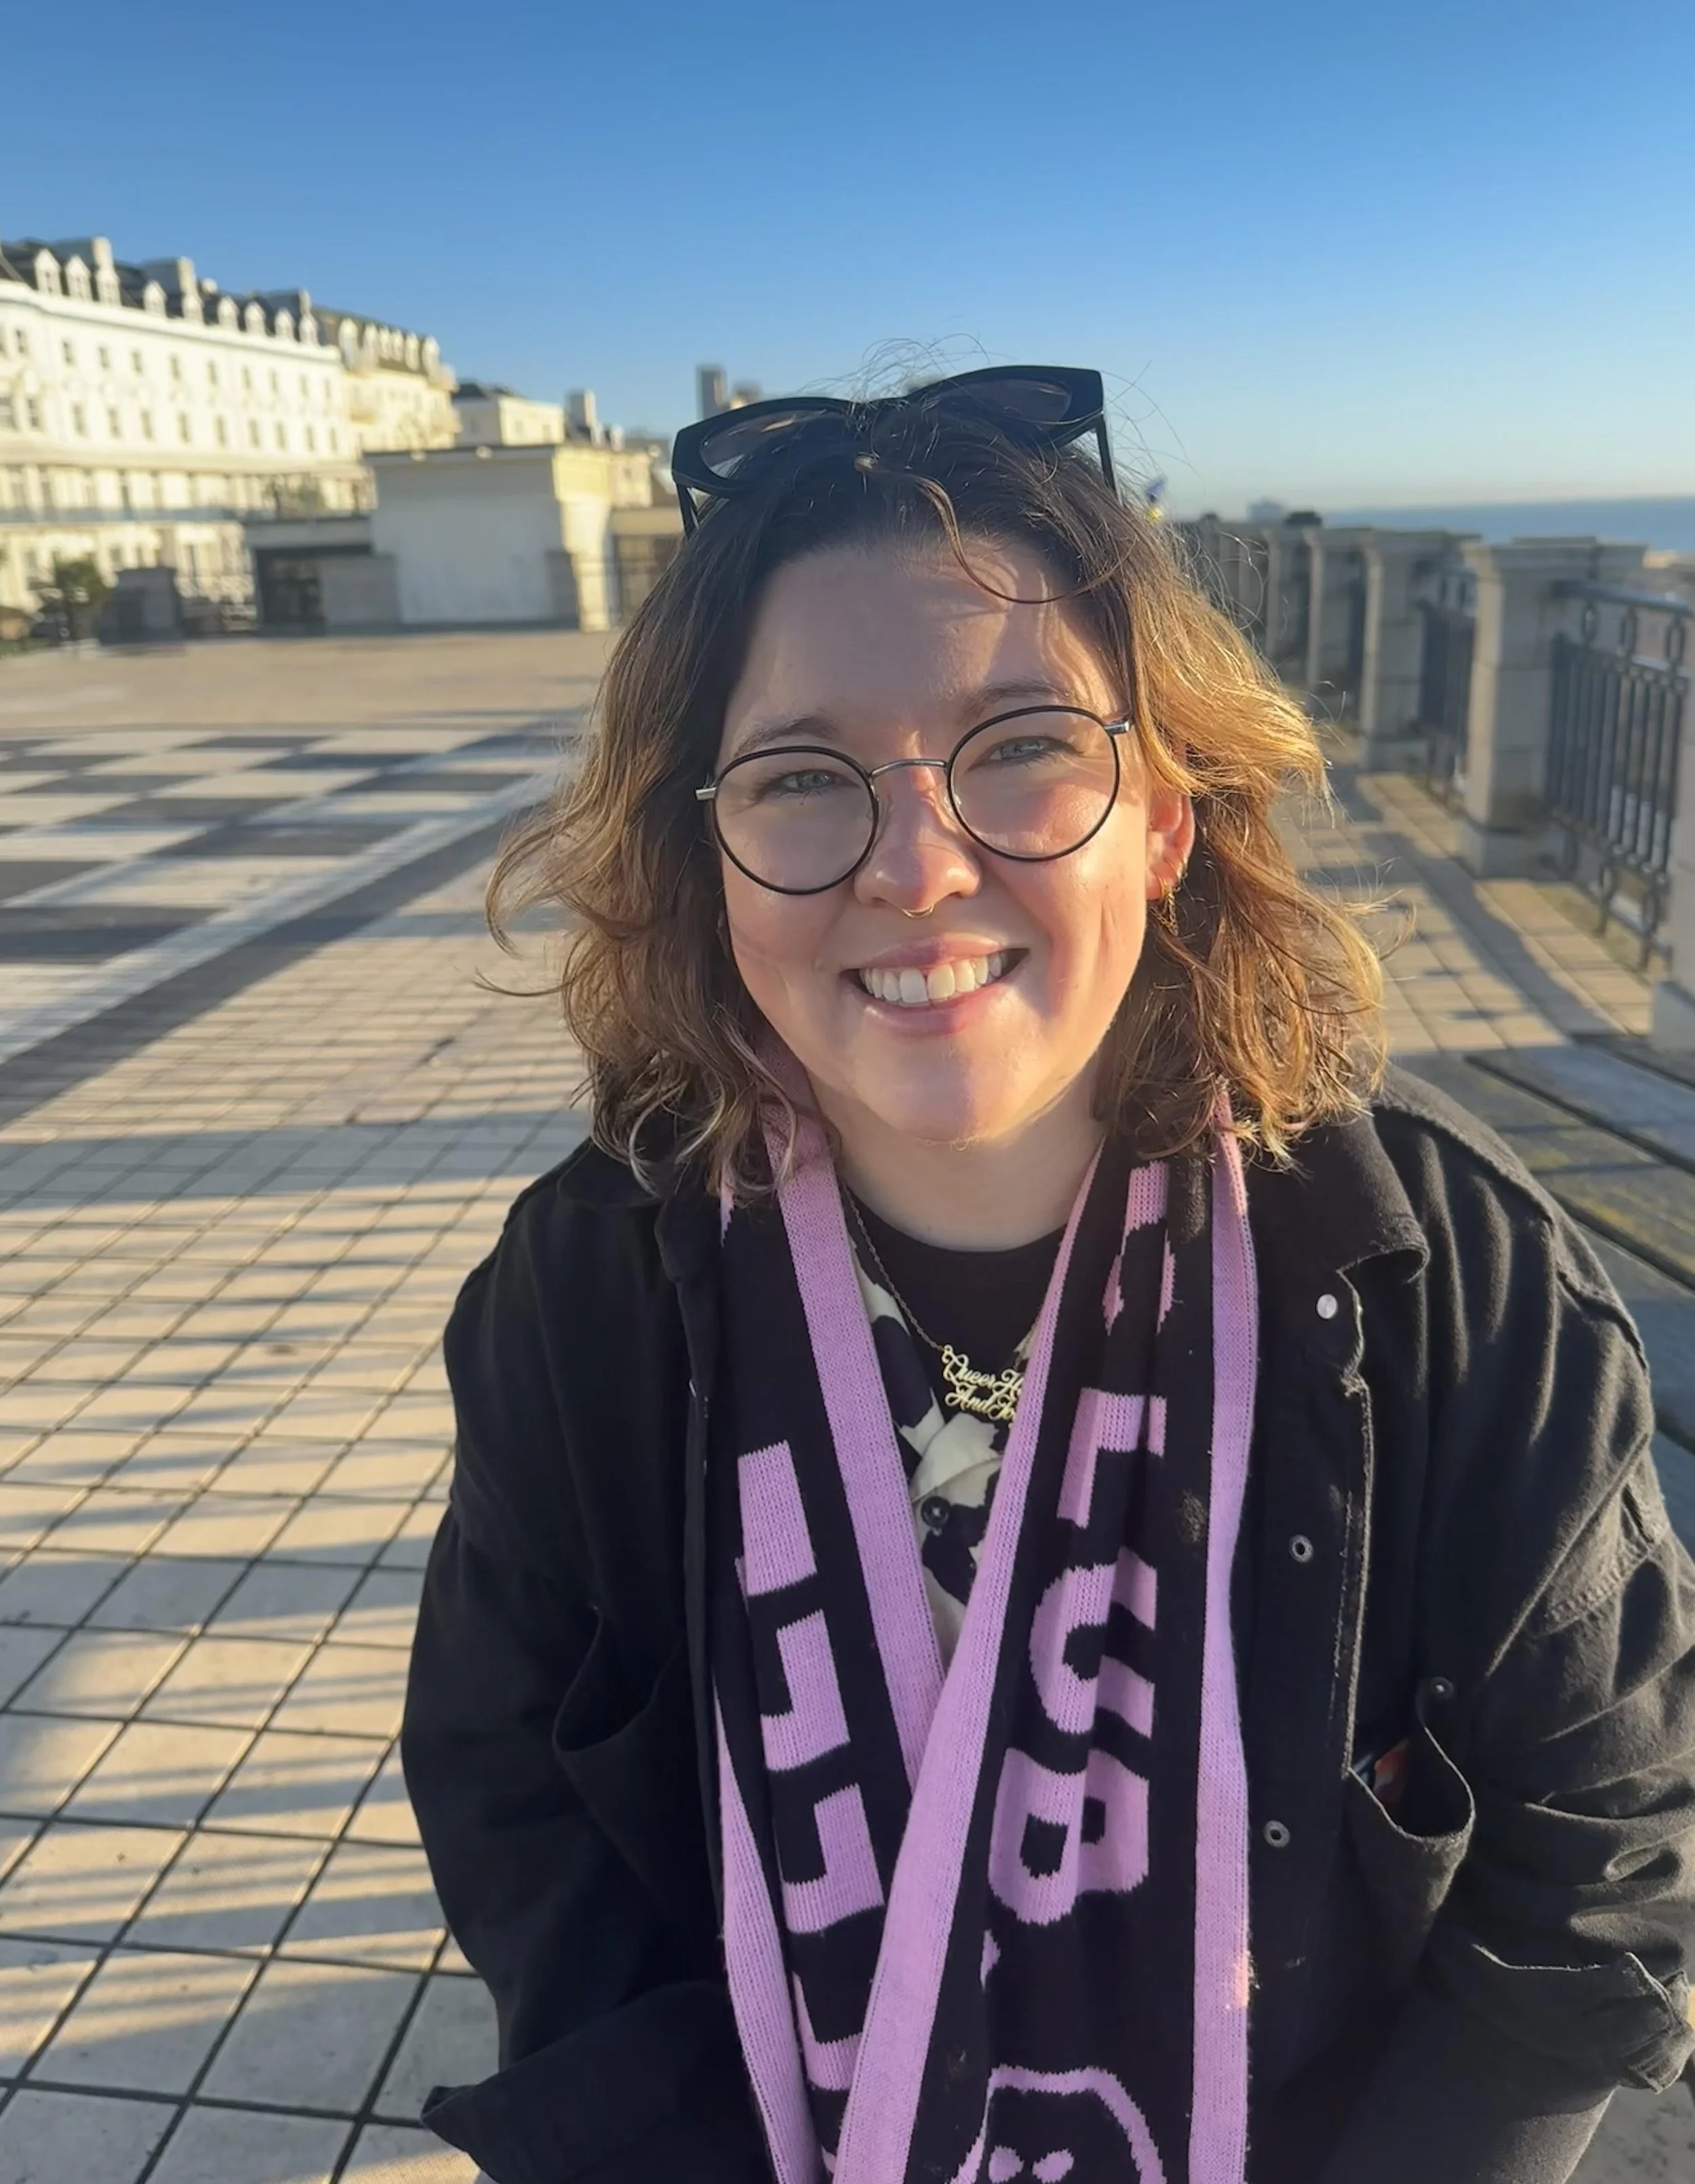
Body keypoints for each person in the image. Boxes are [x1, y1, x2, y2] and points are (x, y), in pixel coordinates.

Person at [401, 368, 1695, 2184]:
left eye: (1021, 745)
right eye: (801, 779)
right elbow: (514, 1793)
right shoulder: (586, 1290)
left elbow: (1609, 1843)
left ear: (1163, 819)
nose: (918, 867)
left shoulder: (1445, 1282)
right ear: (710, 861)